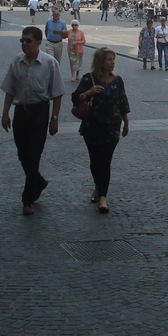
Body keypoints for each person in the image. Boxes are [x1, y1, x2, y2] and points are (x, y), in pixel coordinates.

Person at [0, 26, 65, 216]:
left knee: (33, 155)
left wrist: (54, 118)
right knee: (22, 154)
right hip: (21, 112)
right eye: (22, 40)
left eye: (28, 40)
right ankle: (39, 181)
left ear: (38, 42)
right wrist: (5, 114)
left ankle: (28, 199)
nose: (24, 44)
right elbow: (10, 90)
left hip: (40, 112)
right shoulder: (17, 62)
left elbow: (58, 93)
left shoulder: (49, 63)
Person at [71, 47, 130, 214]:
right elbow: (75, 99)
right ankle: (98, 185)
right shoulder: (89, 79)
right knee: (95, 161)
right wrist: (89, 92)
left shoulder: (117, 80)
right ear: (100, 62)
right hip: (92, 126)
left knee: (105, 162)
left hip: (112, 126)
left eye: (113, 59)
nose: (112, 62)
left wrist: (126, 122)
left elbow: (122, 102)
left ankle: (103, 197)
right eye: (109, 59)